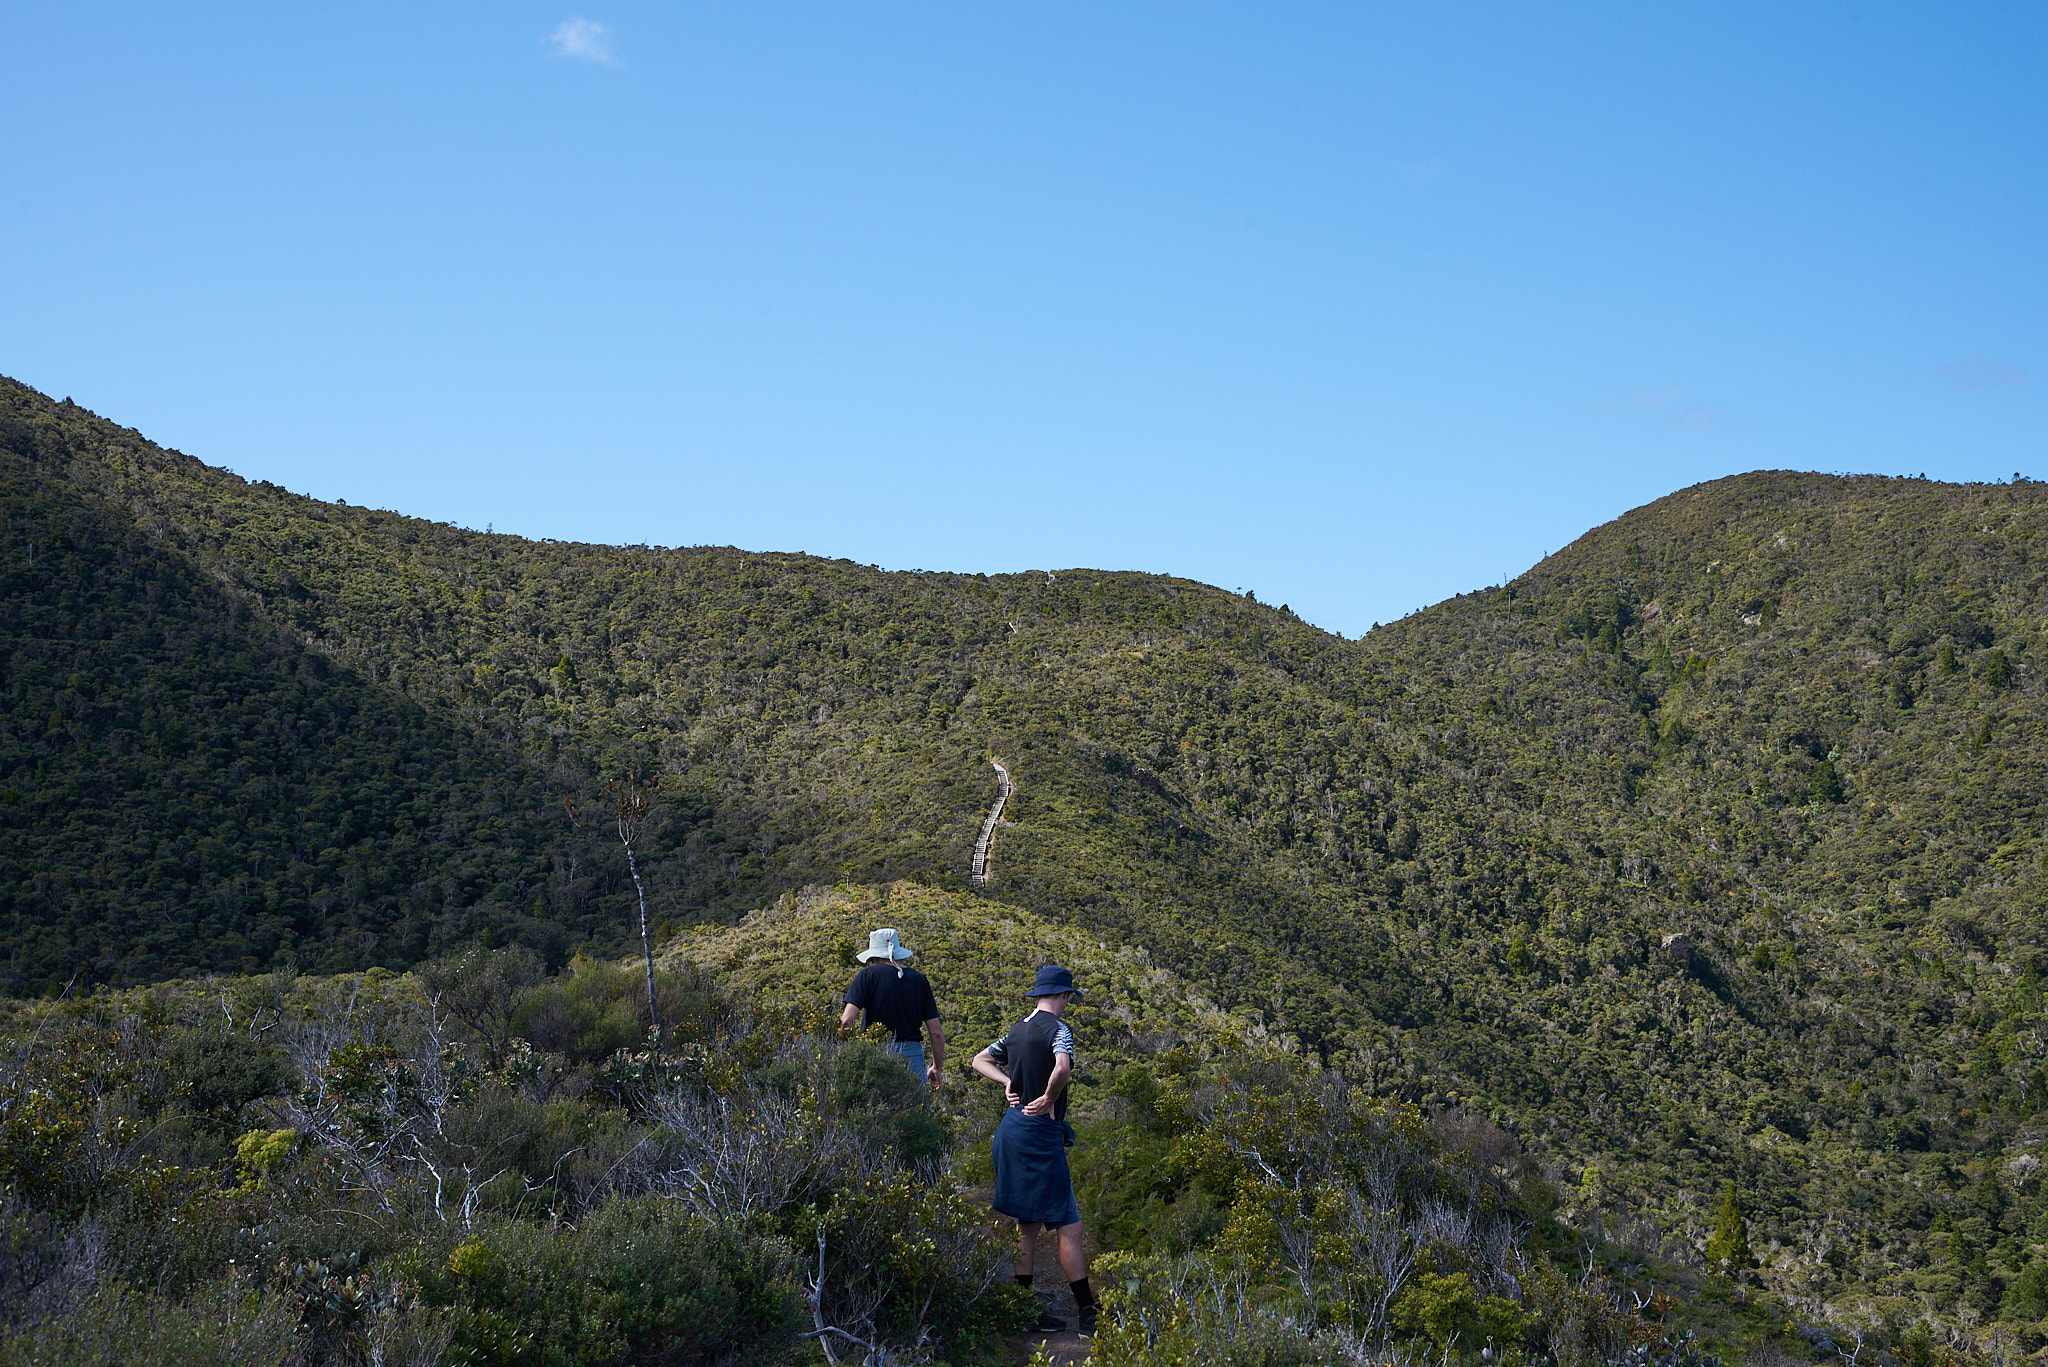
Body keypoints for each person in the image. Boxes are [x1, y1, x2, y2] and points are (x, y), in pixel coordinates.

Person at [972, 964, 1098, 1333]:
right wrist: (1048, 1098)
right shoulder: (1059, 1031)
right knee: (1069, 1226)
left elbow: (979, 1060)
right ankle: (1088, 1312)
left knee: (1025, 1225)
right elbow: (1062, 1069)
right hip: (1040, 1135)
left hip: (1010, 1132)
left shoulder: (1018, 1029)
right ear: (1063, 996)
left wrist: (1006, 1081)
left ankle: (1024, 1311)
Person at [839, 928, 944, 1090]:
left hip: (875, 1054)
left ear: (873, 954)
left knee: (876, 1109)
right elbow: (936, 1031)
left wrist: (847, 1057)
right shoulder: (919, 980)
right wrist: (937, 1067)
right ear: (897, 951)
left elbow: (847, 1020)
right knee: (915, 1110)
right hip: (913, 1058)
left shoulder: (867, 976)